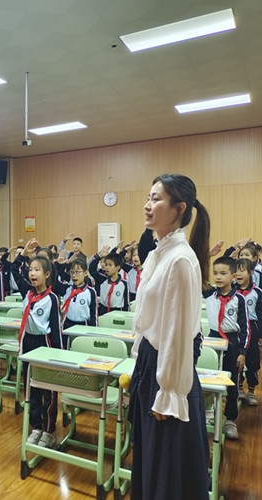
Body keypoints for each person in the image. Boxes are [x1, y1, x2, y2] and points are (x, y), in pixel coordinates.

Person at [128, 174, 211, 499]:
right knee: (149, 463)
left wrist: (169, 392)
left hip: (167, 375)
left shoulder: (180, 259)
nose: (148, 205)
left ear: (179, 208)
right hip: (151, 365)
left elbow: (178, 335)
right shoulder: (158, 253)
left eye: (156, 199)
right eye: (148, 197)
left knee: (165, 472)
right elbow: (147, 320)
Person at [11, 238, 62, 448]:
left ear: (47, 274)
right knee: (31, 388)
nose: (32, 273)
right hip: (28, 343)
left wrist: (57, 356)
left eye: (37, 270)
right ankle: (36, 426)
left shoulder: (52, 298)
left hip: (45, 344)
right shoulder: (27, 292)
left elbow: (56, 331)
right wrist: (23, 253)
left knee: (48, 391)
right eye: (30, 269)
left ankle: (49, 430)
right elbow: (14, 271)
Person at [204, 256, 250, 440]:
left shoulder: (239, 299)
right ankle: (209, 412)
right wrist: (207, 255)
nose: (218, 277)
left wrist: (243, 352)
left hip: (232, 342)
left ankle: (230, 419)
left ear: (233, 276)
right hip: (213, 339)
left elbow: (245, 328)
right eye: (215, 273)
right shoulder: (209, 294)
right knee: (209, 379)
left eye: (223, 273)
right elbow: (196, 273)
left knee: (231, 382)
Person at [234, 257, 261, 406]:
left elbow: (260, 314)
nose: (238, 274)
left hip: (253, 329)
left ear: (250, 272)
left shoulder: (257, 292)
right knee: (237, 361)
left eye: (242, 270)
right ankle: (238, 389)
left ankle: (251, 391)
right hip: (237, 330)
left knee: (252, 361)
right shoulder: (232, 291)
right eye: (236, 271)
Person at [59, 258, 97, 349]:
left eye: (78, 272)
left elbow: (94, 314)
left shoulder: (90, 292)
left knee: (81, 348)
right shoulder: (67, 289)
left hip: (83, 325)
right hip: (67, 324)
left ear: (85, 273)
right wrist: (62, 264)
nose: (74, 275)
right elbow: (55, 278)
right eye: (72, 272)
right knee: (66, 349)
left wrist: (93, 332)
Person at [89, 249, 130, 316]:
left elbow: (126, 303)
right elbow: (91, 269)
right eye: (106, 265)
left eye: (110, 265)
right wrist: (99, 257)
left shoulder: (124, 283)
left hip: (117, 312)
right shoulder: (102, 279)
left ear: (118, 267)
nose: (107, 267)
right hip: (103, 311)